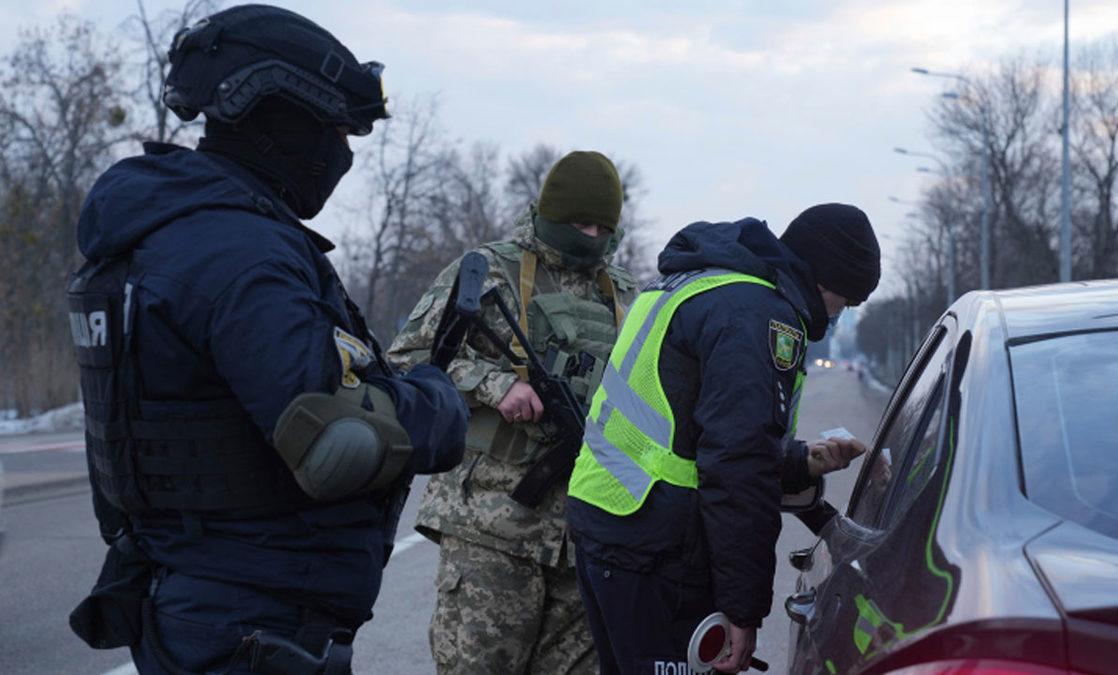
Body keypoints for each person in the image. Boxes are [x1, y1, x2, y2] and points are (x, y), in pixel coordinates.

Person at [66, 5, 468, 674]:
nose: (342, 152)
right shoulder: (236, 252)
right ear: (281, 118)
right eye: (337, 130)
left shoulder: (161, 231)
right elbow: (341, 443)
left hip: (200, 599)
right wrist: (436, 399)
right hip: (248, 620)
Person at [566, 204, 882, 674]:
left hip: (609, 522)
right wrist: (743, 609)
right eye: (846, 299)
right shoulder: (758, 315)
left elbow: (689, 431)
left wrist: (800, 461)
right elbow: (737, 465)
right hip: (658, 549)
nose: (840, 314)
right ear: (824, 280)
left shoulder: (695, 284)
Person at [387, 150, 639, 674]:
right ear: (551, 213)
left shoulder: (627, 294)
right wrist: (494, 383)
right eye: (579, 223)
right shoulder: (490, 270)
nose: (591, 236)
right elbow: (408, 359)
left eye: (602, 226)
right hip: (491, 524)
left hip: (585, 533)